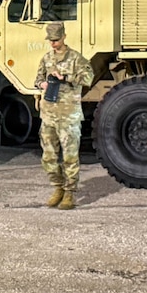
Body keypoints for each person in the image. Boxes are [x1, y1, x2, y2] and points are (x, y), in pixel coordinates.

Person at [35, 21, 93, 210]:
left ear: (64, 37)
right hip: (49, 114)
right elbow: (38, 78)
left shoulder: (76, 58)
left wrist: (65, 78)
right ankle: (57, 187)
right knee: (49, 157)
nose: (53, 43)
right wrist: (42, 84)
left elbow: (88, 78)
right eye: (51, 40)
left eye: (56, 40)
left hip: (69, 115)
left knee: (70, 156)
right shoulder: (46, 58)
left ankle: (69, 193)